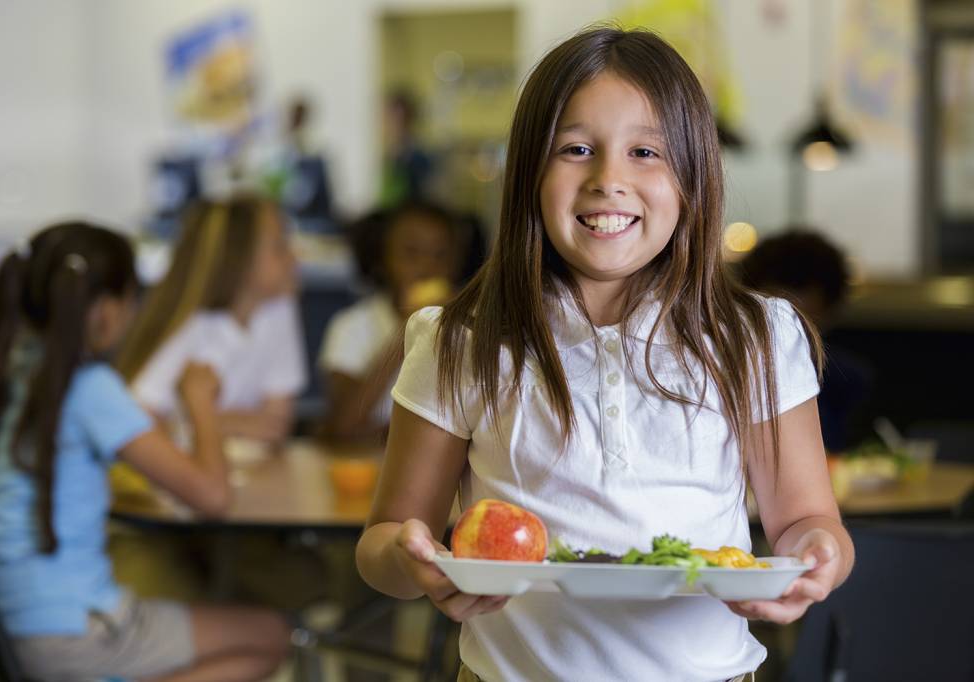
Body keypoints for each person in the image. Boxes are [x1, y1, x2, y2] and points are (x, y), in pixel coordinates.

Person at [355, 28, 854, 682]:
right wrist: (411, 561)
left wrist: (817, 558)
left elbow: (810, 522)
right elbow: (384, 541)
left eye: (645, 151)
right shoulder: (463, 338)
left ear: (693, 178)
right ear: (529, 170)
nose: (608, 180)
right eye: (576, 149)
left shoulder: (754, 337)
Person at [0, 223, 287, 681]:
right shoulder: (90, 389)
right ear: (107, 311)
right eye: (132, 302)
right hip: (72, 632)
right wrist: (200, 403)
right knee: (268, 635)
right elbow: (212, 497)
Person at [116, 194, 307, 448]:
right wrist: (228, 422)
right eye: (279, 246)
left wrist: (193, 421)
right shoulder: (191, 325)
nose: (295, 257)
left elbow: (275, 425)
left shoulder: (277, 309)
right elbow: (137, 423)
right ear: (239, 260)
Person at [318, 201, 476, 440]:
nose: (427, 267)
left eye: (440, 255)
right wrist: (408, 329)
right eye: (411, 253)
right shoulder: (351, 326)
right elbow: (343, 426)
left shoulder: (469, 329)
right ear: (383, 260)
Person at [738, 229, 874, 452]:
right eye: (776, 317)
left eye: (801, 321)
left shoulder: (848, 381)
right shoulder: (729, 375)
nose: (787, 336)